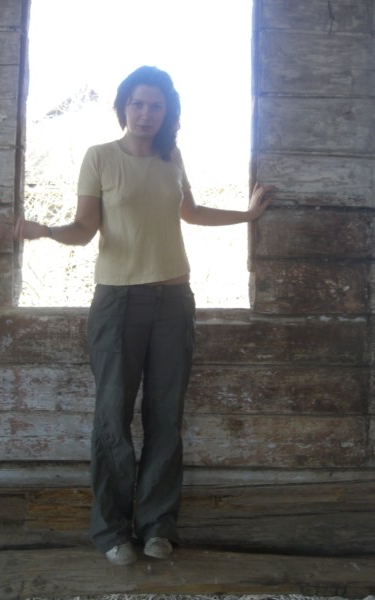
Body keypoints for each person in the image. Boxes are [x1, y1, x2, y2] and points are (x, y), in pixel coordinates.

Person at [15, 65, 272, 566]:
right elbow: (84, 229)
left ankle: (158, 527)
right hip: (118, 303)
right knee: (113, 416)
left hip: (174, 303)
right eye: (137, 103)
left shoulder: (172, 156)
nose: (145, 113)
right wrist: (44, 230)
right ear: (123, 107)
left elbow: (191, 213)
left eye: (155, 105)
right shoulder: (100, 157)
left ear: (167, 111)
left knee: (165, 417)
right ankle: (113, 532)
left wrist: (248, 215)